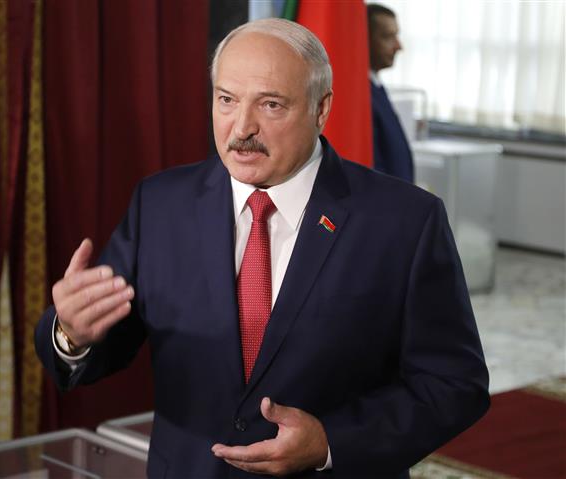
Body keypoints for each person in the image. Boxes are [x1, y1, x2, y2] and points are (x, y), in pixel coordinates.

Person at [35, 18, 489, 478]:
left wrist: (331, 443)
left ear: (321, 109)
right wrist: (71, 334)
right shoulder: (160, 204)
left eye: (271, 104)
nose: (242, 127)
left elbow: (455, 384)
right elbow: (104, 340)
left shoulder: (404, 221)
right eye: (226, 100)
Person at [367, 3, 415, 183]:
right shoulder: (362, 98)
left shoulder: (377, 87)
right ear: (364, 39)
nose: (398, 46)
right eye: (388, 37)